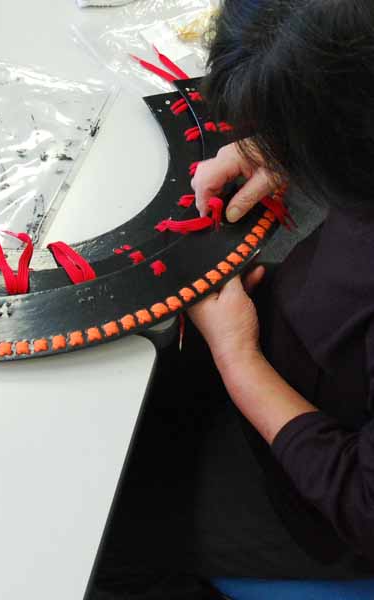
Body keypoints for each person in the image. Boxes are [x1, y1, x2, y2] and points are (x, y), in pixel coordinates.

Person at [88, 0, 374, 598]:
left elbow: (362, 504)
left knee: (96, 538)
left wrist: (237, 356)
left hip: (316, 491)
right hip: (302, 348)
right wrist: (283, 144)